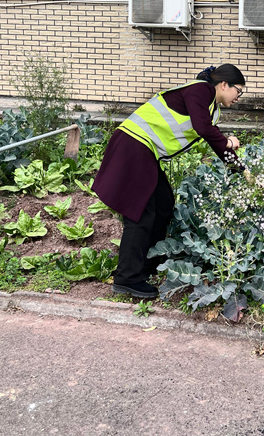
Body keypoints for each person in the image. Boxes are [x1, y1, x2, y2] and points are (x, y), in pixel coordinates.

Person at [93, 64, 246, 298]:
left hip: (144, 150)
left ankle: (148, 262)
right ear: (224, 85)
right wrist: (228, 142)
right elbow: (204, 129)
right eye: (239, 91)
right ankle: (127, 278)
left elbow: (212, 139)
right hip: (133, 144)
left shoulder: (211, 107)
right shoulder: (201, 90)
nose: (238, 97)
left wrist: (243, 171)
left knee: (163, 202)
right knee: (141, 212)